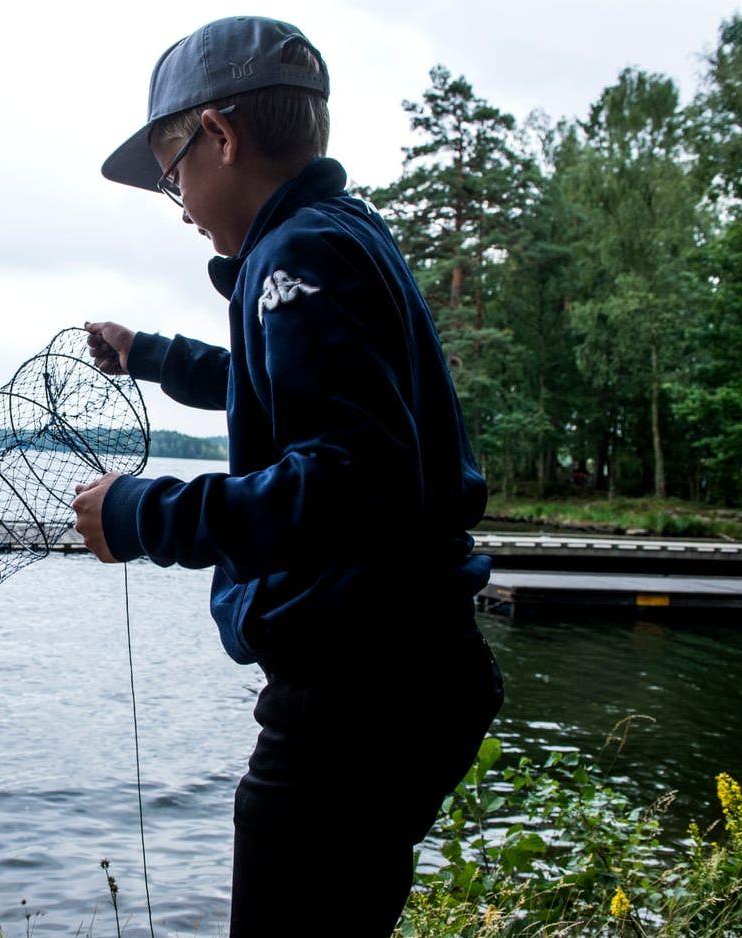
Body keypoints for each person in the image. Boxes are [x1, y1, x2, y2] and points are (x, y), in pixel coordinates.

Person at [71, 17, 504, 936]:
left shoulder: (296, 257)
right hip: (412, 669)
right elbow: (279, 389)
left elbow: (350, 476)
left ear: (221, 136)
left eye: (171, 166)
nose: (174, 194)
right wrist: (150, 354)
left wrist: (146, 514)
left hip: (361, 689)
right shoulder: (337, 235)